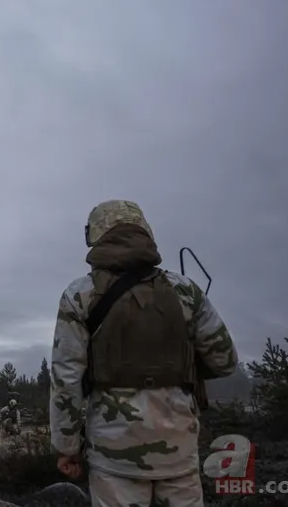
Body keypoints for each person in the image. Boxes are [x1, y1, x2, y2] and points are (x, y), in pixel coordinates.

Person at [49, 200, 239, 507]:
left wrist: (67, 446)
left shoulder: (79, 295)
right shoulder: (185, 290)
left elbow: (66, 379)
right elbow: (225, 360)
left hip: (114, 454)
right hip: (178, 448)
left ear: (95, 235)